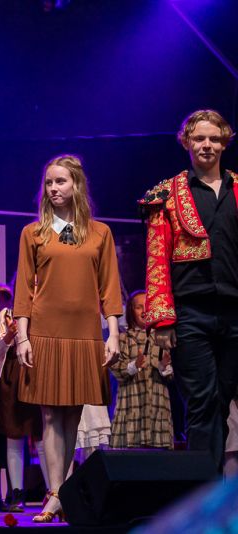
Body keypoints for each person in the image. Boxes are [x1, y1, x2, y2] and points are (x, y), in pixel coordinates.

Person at [14, 154, 122, 523]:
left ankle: (62, 492)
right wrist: (23, 336)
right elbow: (23, 288)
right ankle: (56, 492)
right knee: (49, 415)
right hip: (45, 331)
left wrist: (113, 333)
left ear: (76, 185)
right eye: (49, 182)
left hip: (84, 333)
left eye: (60, 181)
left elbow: (109, 286)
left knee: (73, 414)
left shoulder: (99, 233)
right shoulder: (34, 233)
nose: (53, 188)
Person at [139, 109, 238, 470]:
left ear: (224, 143)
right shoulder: (166, 194)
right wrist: (163, 320)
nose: (207, 145)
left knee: (224, 401)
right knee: (201, 403)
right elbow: (156, 260)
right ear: (186, 142)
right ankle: (202, 489)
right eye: (199, 138)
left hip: (235, 313)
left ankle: (216, 485)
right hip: (190, 314)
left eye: (214, 138)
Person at [0, 284, 45, 513]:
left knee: (41, 437)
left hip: (37, 375)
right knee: (14, 436)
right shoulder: (6, 315)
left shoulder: (46, 314)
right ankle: (17, 494)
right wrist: (10, 335)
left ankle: (53, 491)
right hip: (11, 378)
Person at [110, 290, 174, 449]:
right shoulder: (124, 338)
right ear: (131, 311)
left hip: (156, 407)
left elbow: (170, 375)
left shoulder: (162, 338)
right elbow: (116, 370)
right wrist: (134, 365)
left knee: (157, 456)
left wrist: (164, 366)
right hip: (132, 406)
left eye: (147, 306)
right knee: (131, 456)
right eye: (139, 307)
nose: (144, 311)